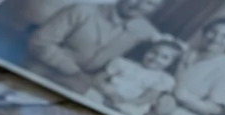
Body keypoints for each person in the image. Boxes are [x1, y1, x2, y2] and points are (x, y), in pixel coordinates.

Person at [28, 0, 165, 91]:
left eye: (149, 3)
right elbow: (40, 42)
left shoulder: (147, 32)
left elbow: (167, 55)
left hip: (91, 86)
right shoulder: (82, 10)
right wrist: (73, 72)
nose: (139, 5)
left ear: (154, 10)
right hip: (45, 71)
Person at [147, 18, 225, 115]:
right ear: (205, 32)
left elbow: (215, 109)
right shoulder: (185, 52)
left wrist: (182, 96)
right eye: (213, 32)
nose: (216, 38)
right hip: (149, 107)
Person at [85, 39, 182, 115]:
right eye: (153, 52)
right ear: (146, 51)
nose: (156, 58)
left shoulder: (163, 79)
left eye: (164, 57)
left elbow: (147, 98)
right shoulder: (124, 63)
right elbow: (99, 78)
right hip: (106, 93)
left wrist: (122, 102)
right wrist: (109, 92)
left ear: (171, 63)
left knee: (127, 114)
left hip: (131, 103)